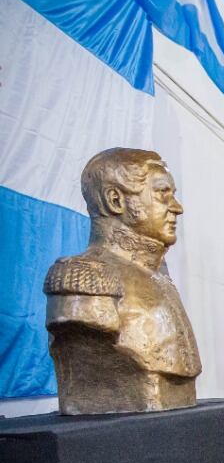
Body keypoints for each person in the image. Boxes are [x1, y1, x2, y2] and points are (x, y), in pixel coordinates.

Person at [44, 149, 201, 414]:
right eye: (163, 193)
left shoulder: (159, 276)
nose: (177, 207)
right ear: (116, 200)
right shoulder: (85, 278)